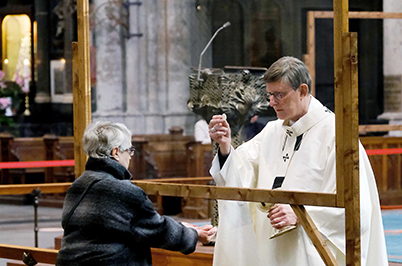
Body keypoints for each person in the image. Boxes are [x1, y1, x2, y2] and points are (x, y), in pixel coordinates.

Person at [208, 56, 388, 266]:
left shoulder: (337, 135)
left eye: (279, 95)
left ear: (302, 91)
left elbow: (357, 208)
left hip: (311, 252)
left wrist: (300, 214)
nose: (272, 102)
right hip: (271, 251)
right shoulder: (272, 131)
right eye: (269, 95)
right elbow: (237, 171)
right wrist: (224, 145)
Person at [56, 121, 215, 266]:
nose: (131, 156)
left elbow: (132, 224)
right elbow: (158, 230)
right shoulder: (123, 191)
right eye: (129, 150)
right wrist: (193, 234)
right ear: (116, 152)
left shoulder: (78, 185)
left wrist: (182, 226)